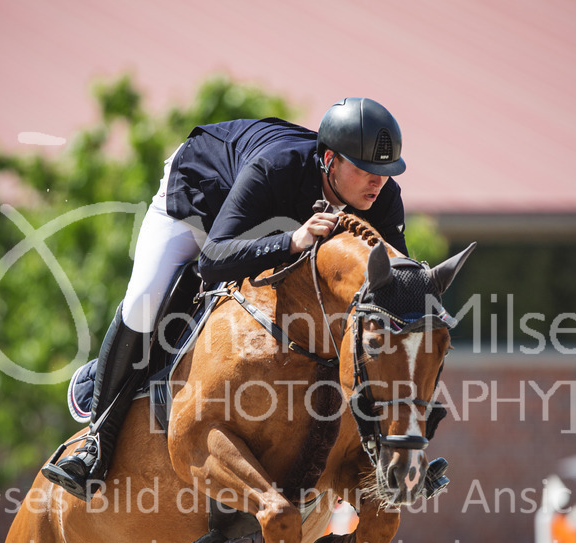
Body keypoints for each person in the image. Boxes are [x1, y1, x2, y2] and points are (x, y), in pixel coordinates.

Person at [43, 97, 410, 501]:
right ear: (329, 161)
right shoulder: (275, 168)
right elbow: (213, 260)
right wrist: (292, 240)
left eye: (384, 172)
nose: (377, 183)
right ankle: (97, 438)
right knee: (145, 301)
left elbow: (394, 292)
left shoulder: (382, 196)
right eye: (364, 171)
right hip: (199, 200)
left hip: (255, 219)